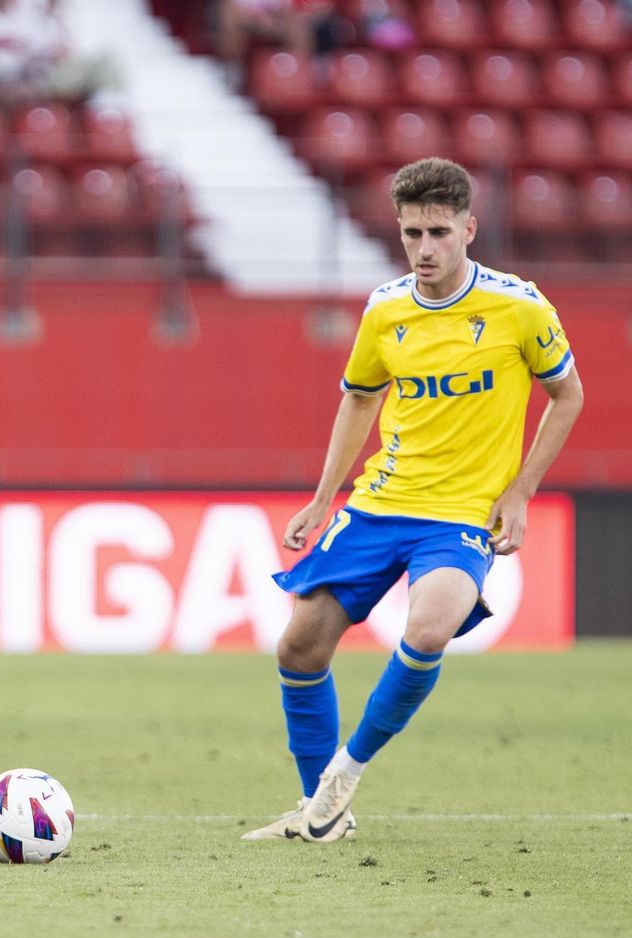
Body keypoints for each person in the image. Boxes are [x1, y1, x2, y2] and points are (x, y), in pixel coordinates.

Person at [243, 157, 585, 844]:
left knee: (428, 630)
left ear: (468, 228)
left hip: (460, 514)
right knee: (299, 648)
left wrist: (520, 492)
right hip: (381, 501)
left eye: (437, 232)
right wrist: (322, 498)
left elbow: (568, 394)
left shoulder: (519, 307)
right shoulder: (386, 308)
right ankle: (322, 815)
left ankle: (344, 775)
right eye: (410, 234)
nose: (424, 249)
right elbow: (361, 397)